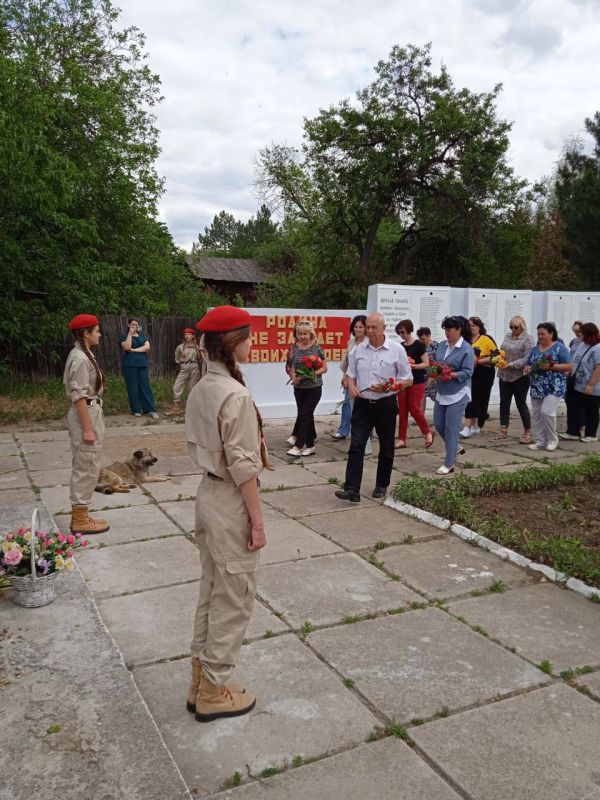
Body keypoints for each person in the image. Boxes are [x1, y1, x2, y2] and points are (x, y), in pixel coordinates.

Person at [185, 305, 272, 723]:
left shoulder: (205, 385)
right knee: (234, 598)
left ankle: (201, 681)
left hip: (207, 494)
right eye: (248, 337)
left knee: (213, 590)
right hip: (229, 501)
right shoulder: (233, 394)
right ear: (233, 344)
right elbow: (243, 466)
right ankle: (213, 692)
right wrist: (257, 521)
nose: (253, 344)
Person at [335, 312, 412, 502]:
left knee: (386, 447)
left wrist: (392, 386)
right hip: (362, 404)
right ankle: (352, 489)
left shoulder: (396, 350)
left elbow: (408, 378)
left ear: (383, 328)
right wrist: (351, 386)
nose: (369, 331)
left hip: (385, 404)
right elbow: (350, 374)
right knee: (356, 445)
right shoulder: (358, 350)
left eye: (373, 328)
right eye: (367, 327)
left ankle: (381, 484)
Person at [63, 314, 110, 534]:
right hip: (86, 413)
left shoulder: (84, 353)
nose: (99, 334)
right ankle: (79, 518)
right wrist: (88, 428)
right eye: (96, 330)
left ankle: (83, 513)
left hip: (92, 410)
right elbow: (79, 396)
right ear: (86, 333)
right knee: (86, 464)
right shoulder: (80, 358)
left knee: (89, 463)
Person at [432, 316, 475, 475]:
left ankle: (449, 463)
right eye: (445, 330)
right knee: (438, 424)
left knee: (451, 428)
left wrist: (452, 375)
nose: (446, 333)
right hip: (442, 390)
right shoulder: (442, 346)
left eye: (449, 330)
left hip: (458, 392)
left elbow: (468, 372)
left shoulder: (466, 348)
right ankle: (455, 446)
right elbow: (437, 364)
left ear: (459, 330)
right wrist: (434, 373)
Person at [523, 322, 571, 451]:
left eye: (543, 333)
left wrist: (553, 366)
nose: (540, 336)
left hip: (554, 386)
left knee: (547, 411)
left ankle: (552, 439)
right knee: (538, 414)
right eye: (538, 334)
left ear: (551, 334)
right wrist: (527, 369)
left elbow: (569, 365)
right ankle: (540, 441)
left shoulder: (559, 348)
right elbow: (528, 365)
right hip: (537, 386)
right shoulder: (535, 349)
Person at [489, 315, 535, 443]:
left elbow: (527, 358)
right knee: (504, 403)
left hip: (519, 376)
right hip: (504, 375)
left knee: (521, 404)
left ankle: (528, 432)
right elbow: (501, 351)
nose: (513, 329)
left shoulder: (528, 339)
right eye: (511, 326)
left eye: (515, 327)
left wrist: (511, 364)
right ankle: (503, 430)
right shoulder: (508, 336)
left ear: (522, 326)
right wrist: (496, 358)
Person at [285, 320, 328, 457]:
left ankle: (298, 446)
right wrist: (294, 377)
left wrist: (310, 374)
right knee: (305, 415)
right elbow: (289, 365)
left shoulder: (317, 348)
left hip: (314, 388)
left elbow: (324, 368)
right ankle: (310, 446)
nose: (302, 336)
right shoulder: (294, 348)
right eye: (299, 333)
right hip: (299, 388)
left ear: (310, 334)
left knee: (305, 414)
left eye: (305, 333)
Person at [331, 316, 372, 455]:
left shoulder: (368, 343)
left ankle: (365, 447)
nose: (358, 329)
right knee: (353, 414)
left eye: (361, 327)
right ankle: (357, 444)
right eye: (356, 326)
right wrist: (345, 378)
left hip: (364, 384)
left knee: (361, 417)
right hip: (351, 382)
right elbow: (348, 363)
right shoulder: (351, 342)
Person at [395, 319, 434, 448]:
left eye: (403, 332)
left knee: (414, 408)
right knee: (402, 410)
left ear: (409, 330)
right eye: (399, 332)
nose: (401, 334)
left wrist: (413, 366)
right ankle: (402, 439)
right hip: (403, 381)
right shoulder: (400, 346)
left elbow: (426, 363)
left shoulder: (418, 345)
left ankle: (427, 432)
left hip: (417, 381)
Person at [560, 322, 600, 443]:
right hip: (576, 382)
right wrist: (569, 370)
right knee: (573, 407)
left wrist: (590, 385)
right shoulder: (582, 344)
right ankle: (573, 431)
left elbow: (598, 367)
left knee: (591, 410)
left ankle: (591, 434)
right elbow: (575, 361)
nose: (579, 335)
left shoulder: (597, 348)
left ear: (588, 334)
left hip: (590, 385)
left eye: (581, 333)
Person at [460, 316, 497, 438]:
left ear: (480, 327)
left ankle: (467, 426)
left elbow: (496, 356)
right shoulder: (466, 340)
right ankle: (474, 426)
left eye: (474, 325)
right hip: (470, 372)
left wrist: (479, 361)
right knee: (470, 397)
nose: (472, 328)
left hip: (484, 372)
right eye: (470, 325)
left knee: (476, 399)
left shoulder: (486, 339)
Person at [120, 318, 159, 419]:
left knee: (145, 386)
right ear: (129, 325)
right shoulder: (124, 336)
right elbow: (127, 347)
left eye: (136, 325)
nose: (135, 326)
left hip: (142, 364)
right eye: (132, 324)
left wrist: (134, 350)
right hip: (129, 365)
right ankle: (136, 410)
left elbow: (147, 347)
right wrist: (130, 334)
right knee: (133, 387)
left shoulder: (143, 336)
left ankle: (150, 410)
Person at [169, 327, 202, 415]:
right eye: (185, 334)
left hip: (194, 367)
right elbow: (177, 358)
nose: (187, 336)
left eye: (189, 334)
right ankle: (176, 406)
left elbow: (201, 358)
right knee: (177, 386)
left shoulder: (197, 348)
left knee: (193, 388)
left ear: (193, 336)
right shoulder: (180, 347)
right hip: (184, 367)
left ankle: (192, 408)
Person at [417, 326, 438, 413]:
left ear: (429, 335)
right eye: (420, 339)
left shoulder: (436, 346)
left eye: (423, 339)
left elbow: (439, 362)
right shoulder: (419, 346)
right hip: (423, 376)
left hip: (434, 377)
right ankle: (421, 419)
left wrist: (433, 376)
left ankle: (438, 417)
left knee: (436, 398)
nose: (422, 341)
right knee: (422, 397)